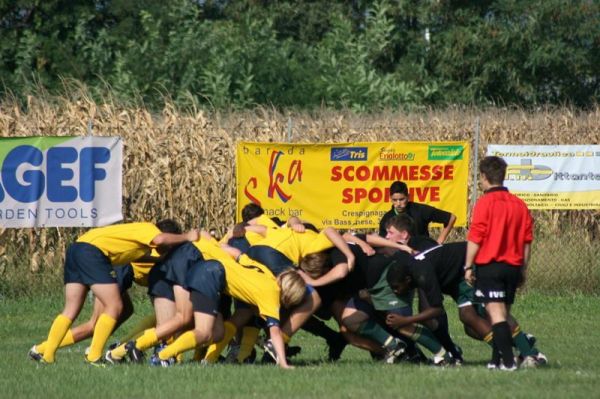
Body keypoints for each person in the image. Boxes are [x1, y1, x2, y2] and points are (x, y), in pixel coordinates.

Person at [31, 220, 198, 364]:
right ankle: (93, 356)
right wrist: (187, 236)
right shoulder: (151, 231)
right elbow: (160, 238)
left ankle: (45, 354)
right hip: (96, 255)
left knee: (74, 309)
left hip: (78, 249)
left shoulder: (141, 240)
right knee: (107, 312)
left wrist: (159, 258)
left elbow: (136, 256)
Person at [148, 232, 306, 369]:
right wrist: (283, 363)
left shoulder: (267, 274)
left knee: (222, 327)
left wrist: (216, 247)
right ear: (290, 296)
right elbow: (275, 333)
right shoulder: (272, 295)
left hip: (212, 271)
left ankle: (206, 359)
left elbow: (236, 253)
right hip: (212, 276)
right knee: (200, 329)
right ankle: (157, 353)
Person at [465, 156, 534, 371]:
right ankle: (495, 361)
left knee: (495, 315)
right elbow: (526, 241)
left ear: (484, 177)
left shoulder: (485, 203)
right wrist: (523, 268)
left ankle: (508, 362)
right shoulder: (519, 204)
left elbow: (476, 237)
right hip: (513, 267)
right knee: (501, 315)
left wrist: (467, 265)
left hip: (491, 266)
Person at [378, 181, 456, 244]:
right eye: (395, 200)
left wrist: (439, 242)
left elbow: (451, 218)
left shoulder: (420, 210)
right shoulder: (387, 219)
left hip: (423, 253)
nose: (398, 204)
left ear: (408, 197)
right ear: (390, 199)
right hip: (400, 257)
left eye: (401, 199)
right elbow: (382, 242)